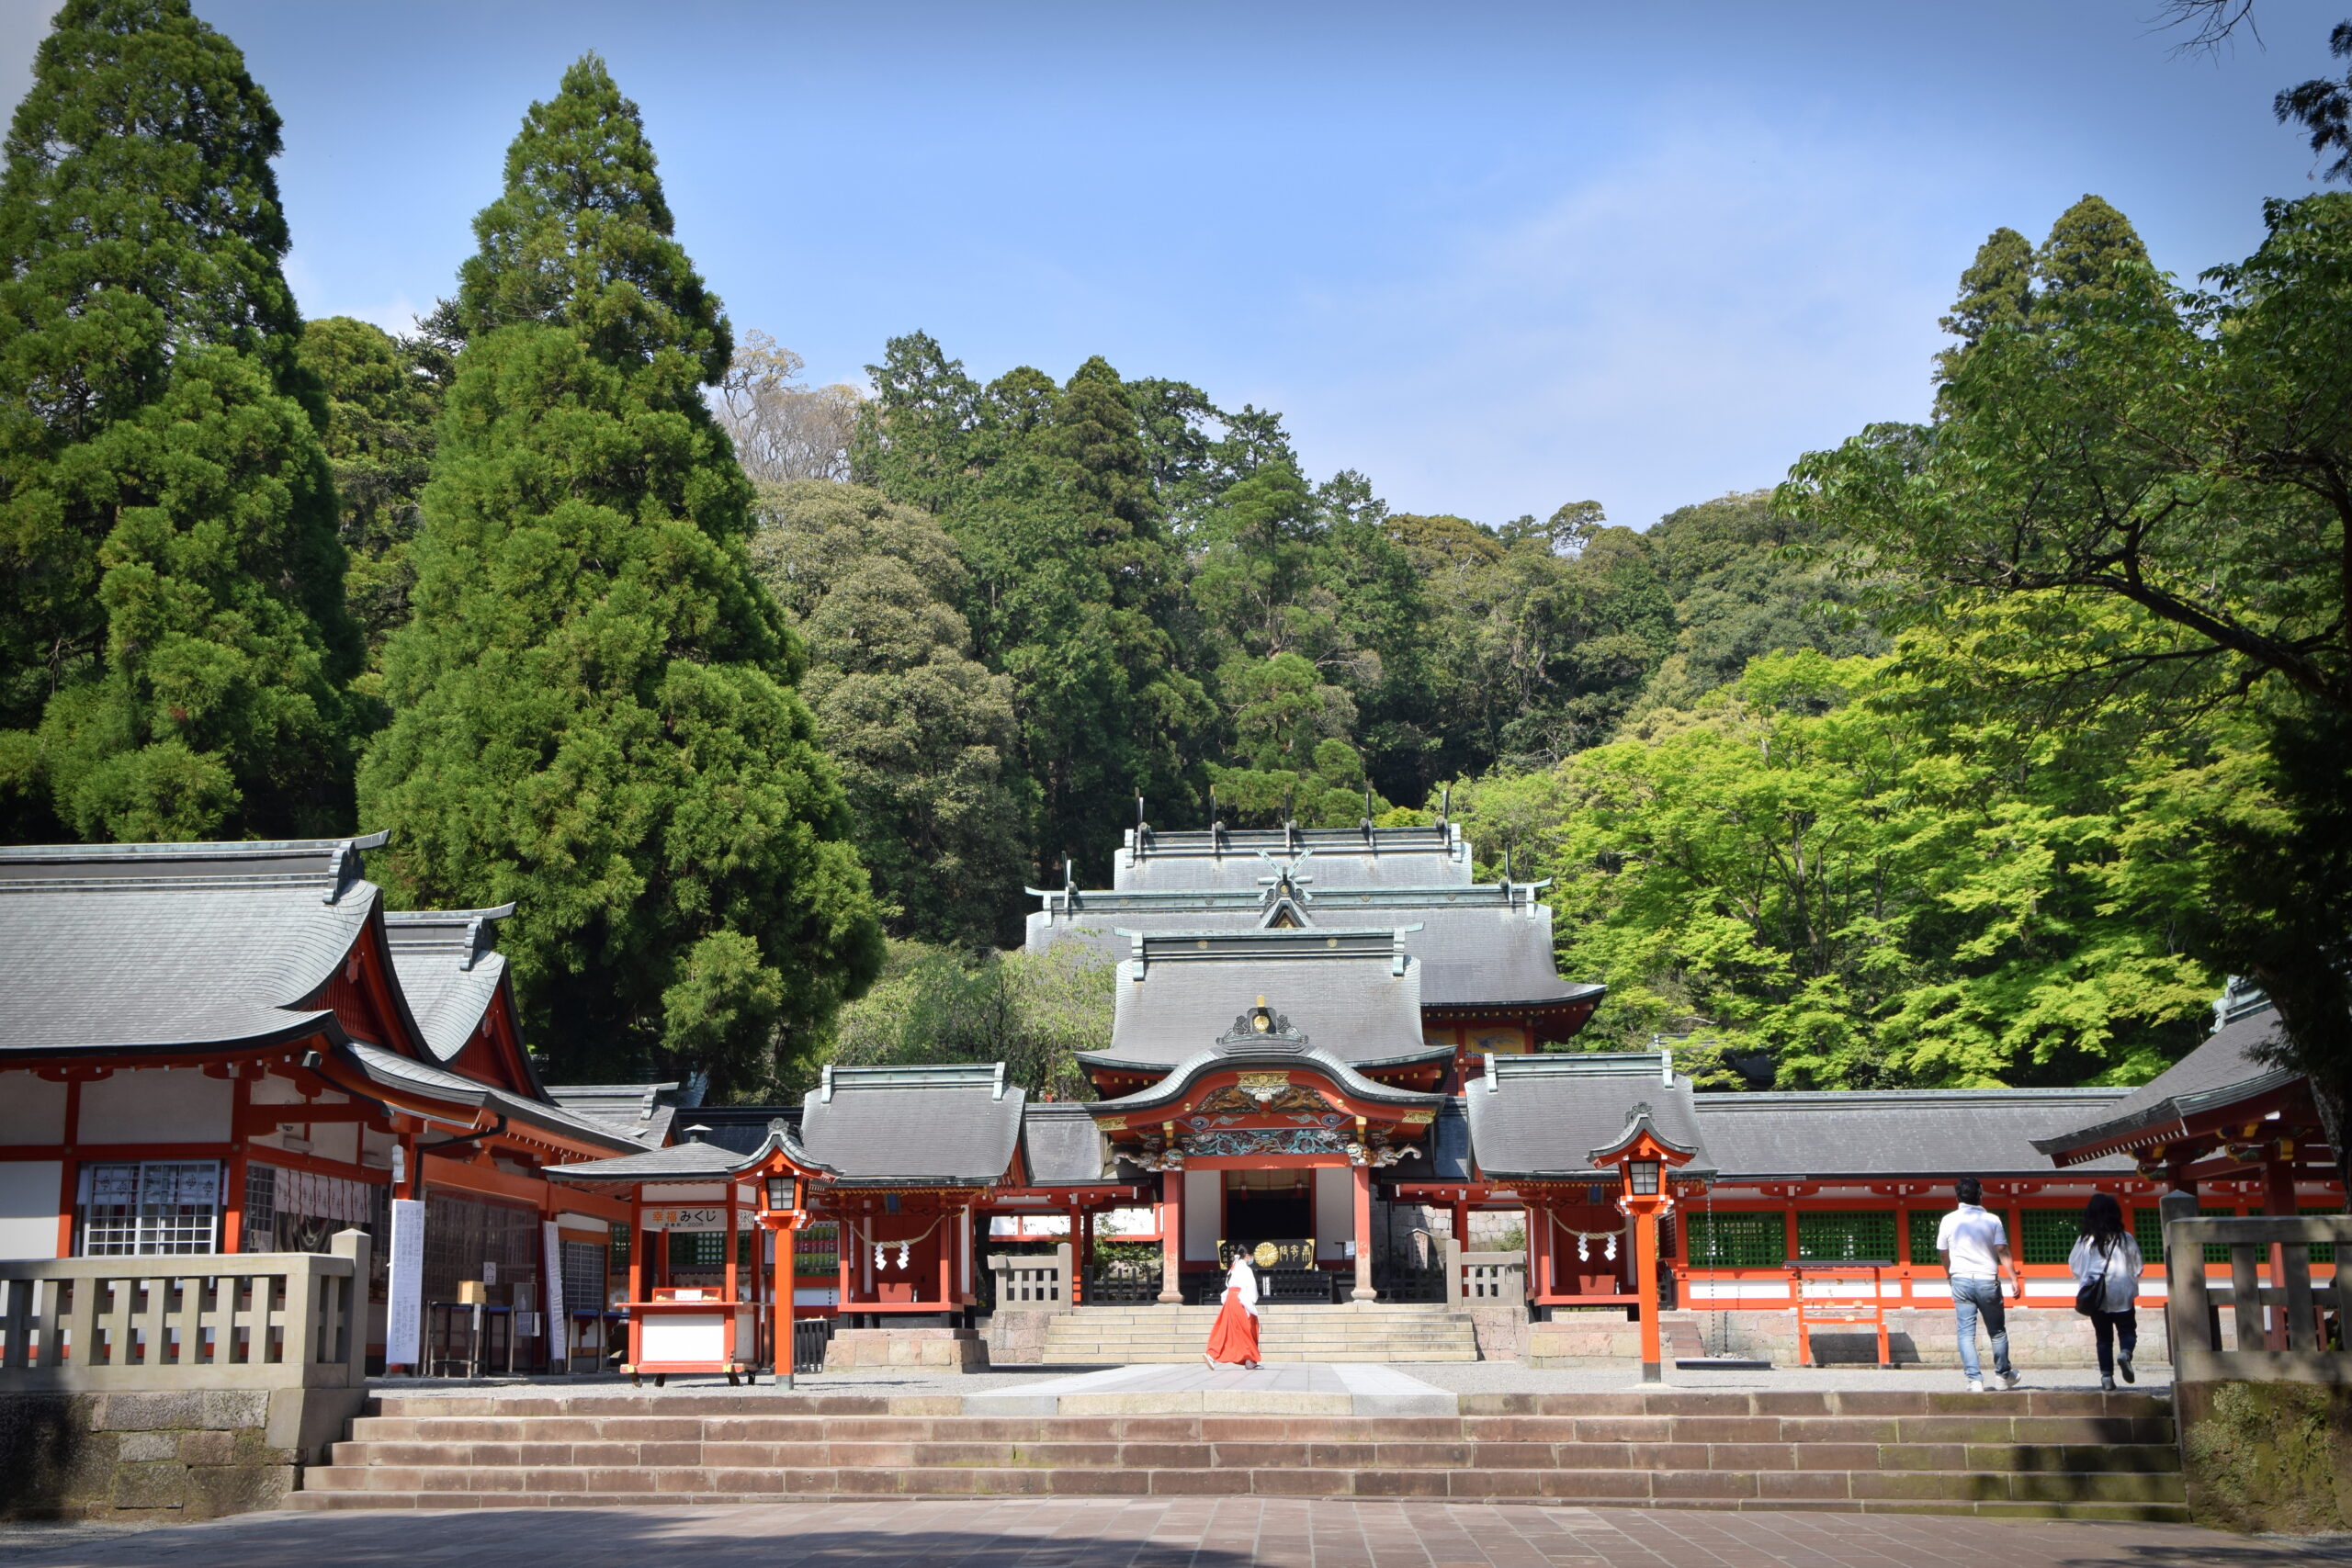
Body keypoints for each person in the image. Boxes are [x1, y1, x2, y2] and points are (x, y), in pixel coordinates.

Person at [1936, 1177, 2024, 1393]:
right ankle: (2003, 1375)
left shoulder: (1948, 1220)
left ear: (1957, 1196)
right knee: (1997, 1331)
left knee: (1966, 1332)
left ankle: (1974, 1379)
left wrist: (1949, 1274)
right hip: (1986, 1278)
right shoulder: (1992, 1220)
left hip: (1961, 1279)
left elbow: (1943, 1252)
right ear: (1980, 1194)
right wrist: (2013, 1277)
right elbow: (2002, 1249)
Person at [2069, 1193, 2143, 1391]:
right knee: (2127, 1330)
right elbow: (2138, 1267)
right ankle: (2125, 1353)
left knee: (2103, 1338)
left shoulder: (2085, 1240)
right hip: (2122, 1293)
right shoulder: (2125, 1238)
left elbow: (2074, 1266)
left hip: (2096, 1296)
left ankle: (2107, 1377)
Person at [1204, 1250, 1263, 1369]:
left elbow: (1228, 1284)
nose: (1251, 1258)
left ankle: (1213, 1353)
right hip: (1240, 1299)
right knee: (1248, 1328)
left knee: (1226, 1328)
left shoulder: (1234, 1267)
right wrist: (1252, 1302)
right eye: (1251, 1256)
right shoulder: (1246, 1269)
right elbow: (1251, 1287)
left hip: (1231, 1298)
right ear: (1247, 1255)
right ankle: (1249, 1359)